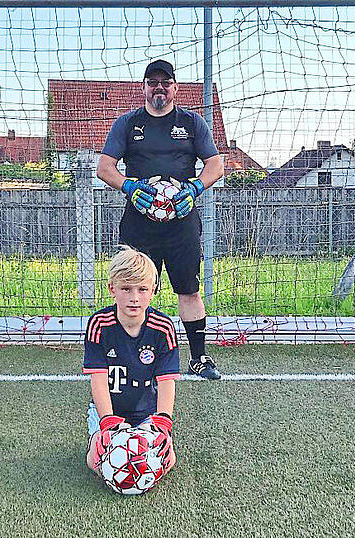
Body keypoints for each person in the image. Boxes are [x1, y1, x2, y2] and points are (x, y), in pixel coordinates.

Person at [97, 59, 225, 380]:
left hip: (181, 223)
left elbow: (215, 165)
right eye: (152, 82)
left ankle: (199, 358)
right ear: (143, 88)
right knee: (133, 289)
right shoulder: (127, 124)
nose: (159, 88)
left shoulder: (193, 123)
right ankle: (131, 358)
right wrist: (128, 186)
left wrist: (194, 188)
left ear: (174, 88)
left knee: (189, 290)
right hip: (139, 223)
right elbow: (105, 167)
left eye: (165, 82)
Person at [83, 245, 179, 477]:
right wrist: (108, 421)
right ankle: (99, 436)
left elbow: (167, 381)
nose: (134, 298)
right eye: (126, 289)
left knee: (168, 461)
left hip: (148, 413)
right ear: (112, 289)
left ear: (153, 290)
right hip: (109, 410)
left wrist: (163, 423)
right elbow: (98, 379)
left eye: (142, 289)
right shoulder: (99, 325)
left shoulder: (163, 328)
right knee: (95, 462)